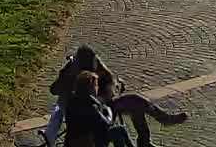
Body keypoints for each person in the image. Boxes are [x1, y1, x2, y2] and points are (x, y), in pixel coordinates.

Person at [47, 46, 187, 147]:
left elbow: (111, 82)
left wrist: (108, 90)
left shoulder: (98, 68)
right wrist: (68, 78)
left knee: (135, 101)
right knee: (118, 129)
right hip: (87, 113)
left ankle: (149, 137)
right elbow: (54, 90)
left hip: (105, 105)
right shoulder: (70, 73)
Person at [63, 70, 130, 147]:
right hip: (89, 142)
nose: (97, 88)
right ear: (90, 87)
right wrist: (108, 110)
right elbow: (107, 124)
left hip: (71, 140)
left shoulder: (72, 100)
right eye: (96, 85)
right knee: (119, 130)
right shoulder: (91, 106)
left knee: (119, 130)